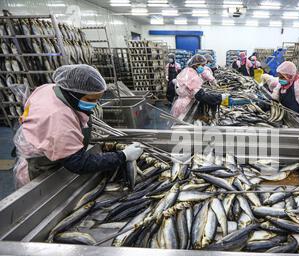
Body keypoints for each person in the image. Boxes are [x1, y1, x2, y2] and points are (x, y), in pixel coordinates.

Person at [13, 64, 143, 189]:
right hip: (42, 162)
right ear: (74, 94)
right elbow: (78, 163)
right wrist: (123, 155)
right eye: (91, 100)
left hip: (42, 142)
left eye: (98, 99)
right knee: (47, 195)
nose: (95, 104)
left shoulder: (51, 88)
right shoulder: (59, 120)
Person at [171, 54, 231, 119]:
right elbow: (201, 96)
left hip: (181, 102)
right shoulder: (193, 76)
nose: (203, 67)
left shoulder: (187, 70)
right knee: (180, 126)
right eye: (202, 65)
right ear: (196, 64)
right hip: (185, 106)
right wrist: (220, 97)